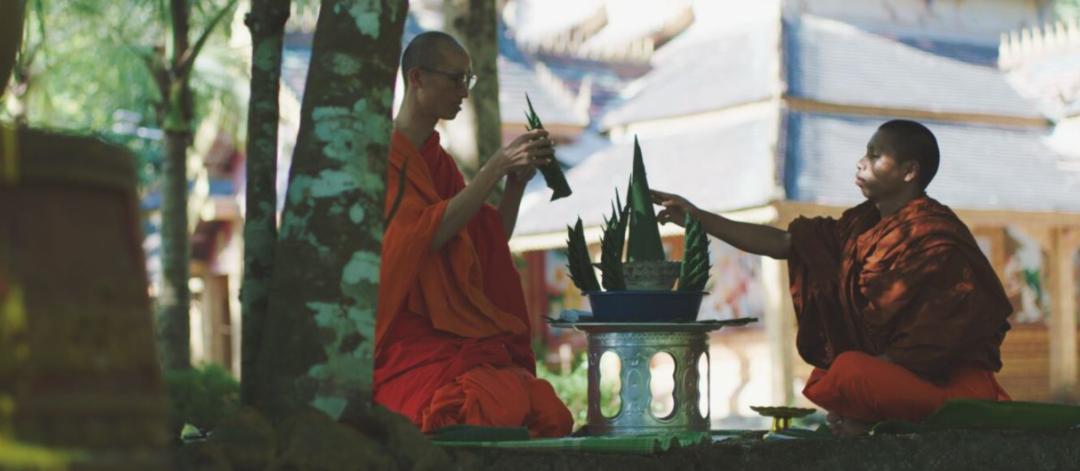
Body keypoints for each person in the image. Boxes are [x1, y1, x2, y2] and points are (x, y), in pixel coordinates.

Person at [652, 119, 1012, 435]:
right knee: (830, 375)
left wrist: (855, 404)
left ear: (909, 171)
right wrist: (697, 218)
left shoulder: (935, 238)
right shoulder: (861, 225)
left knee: (850, 373)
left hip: (952, 386)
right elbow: (784, 243)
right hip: (898, 378)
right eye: (865, 153)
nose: (861, 162)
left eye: (875, 156)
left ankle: (870, 419)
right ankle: (870, 416)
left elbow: (933, 345)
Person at [374, 31, 573, 437]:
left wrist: (514, 185)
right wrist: (492, 170)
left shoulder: (437, 162)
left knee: (546, 410)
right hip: (407, 338)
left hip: (455, 339)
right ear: (417, 78)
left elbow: (487, 243)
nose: (464, 91)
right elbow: (421, 238)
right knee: (475, 408)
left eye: (469, 79)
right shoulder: (382, 158)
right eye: (454, 79)